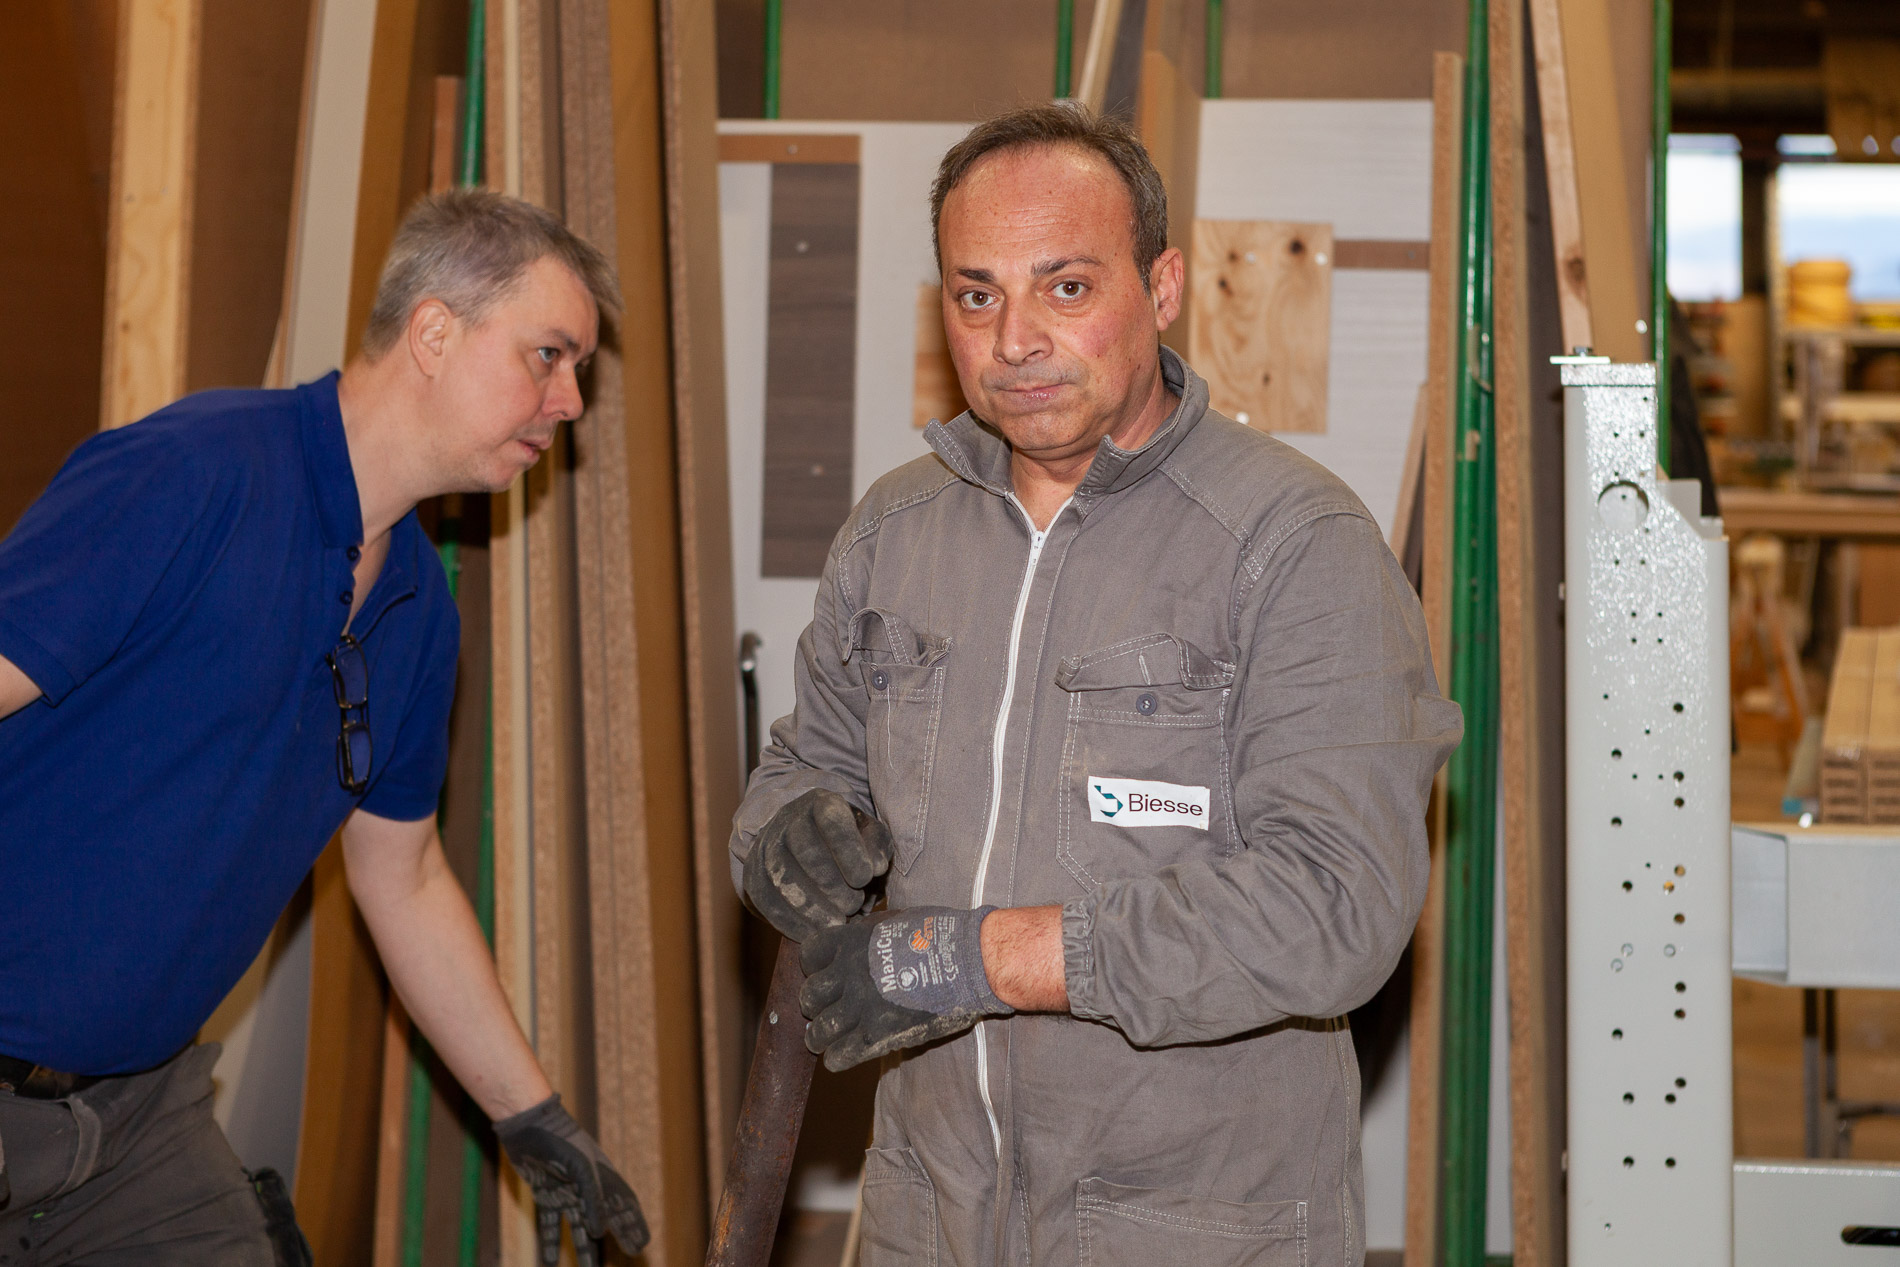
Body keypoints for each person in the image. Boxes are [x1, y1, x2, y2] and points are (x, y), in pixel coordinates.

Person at [731, 104, 1463, 1265]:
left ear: (1161, 288)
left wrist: (971, 960)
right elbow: (806, 764)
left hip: (1191, 1230)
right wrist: (785, 835)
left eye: (1064, 287)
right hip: (928, 1218)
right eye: (976, 296)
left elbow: (1336, 904)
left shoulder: (1293, 543)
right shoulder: (894, 532)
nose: (1015, 339)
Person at [0, 190, 646, 1265]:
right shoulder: (196, 474)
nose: (570, 399)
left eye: (576, 369)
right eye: (548, 355)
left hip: (137, 1121)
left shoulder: (419, 615)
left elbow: (405, 878)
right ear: (433, 332)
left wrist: (530, 1113)